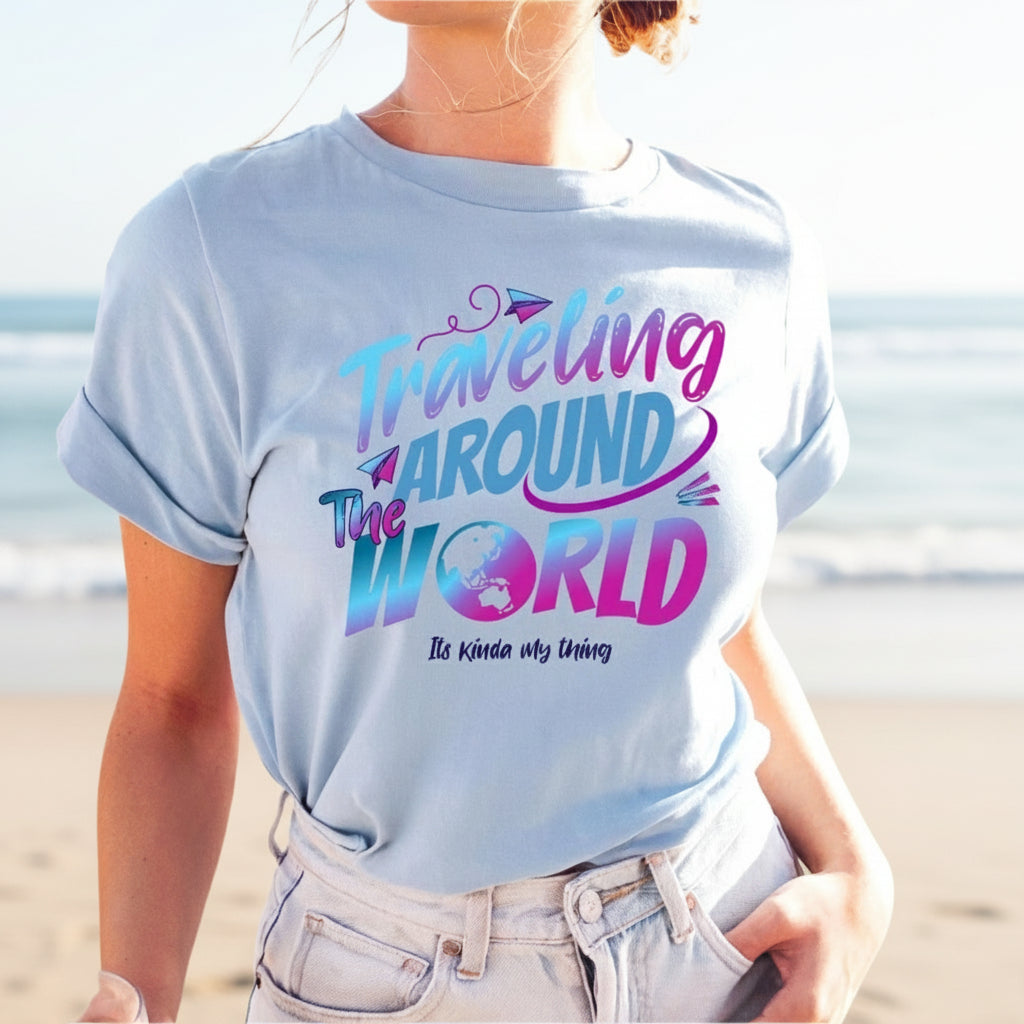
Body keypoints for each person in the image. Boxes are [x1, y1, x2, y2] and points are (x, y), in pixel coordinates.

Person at [59, 2, 893, 1021]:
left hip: (716, 945)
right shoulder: (213, 252)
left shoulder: (752, 256)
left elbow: (725, 633)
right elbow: (172, 699)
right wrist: (135, 995)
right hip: (374, 969)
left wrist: (856, 872)